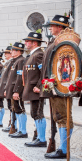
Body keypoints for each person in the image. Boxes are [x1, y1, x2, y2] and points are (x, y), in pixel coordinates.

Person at [43, 15, 73, 159]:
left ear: (60, 27)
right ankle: (62, 148)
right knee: (58, 116)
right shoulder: (55, 41)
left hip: (62, 84)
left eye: (53, 25)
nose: (50, 28)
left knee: (63, 116)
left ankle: (64, 149)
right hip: (53, 84)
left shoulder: (66, 40)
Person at [22, 31, 46, 147]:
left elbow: (43, 72)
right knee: (34, 113)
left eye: (28, 41)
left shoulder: (39, 54)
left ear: (35, 43)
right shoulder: (32, 55)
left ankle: (42, 139)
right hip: (32, 89)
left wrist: (39, 86)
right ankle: (38, 137)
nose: (25, 43)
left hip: (36, 89)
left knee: (38, 113)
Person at [5, 42, 27, 138]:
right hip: (12, 89)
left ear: (18, 51)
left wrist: (17, 91)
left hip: (16, 89)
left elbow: (19, 77)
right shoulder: (15, 61)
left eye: (13, 50)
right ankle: (18, 129)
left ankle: (23, 131)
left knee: (19, 109)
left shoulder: (21, 60)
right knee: (15, 109)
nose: (11, 52)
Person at [0, 46, 16, 132]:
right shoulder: (8, 62)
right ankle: (12, 124)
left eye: (6, 53)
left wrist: (6, 88)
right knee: (10, 107)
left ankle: (14, 125)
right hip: (7, 87)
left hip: (10, 87)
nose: (5, 55)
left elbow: (9, 77)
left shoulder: (12, 62)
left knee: (13, 107)